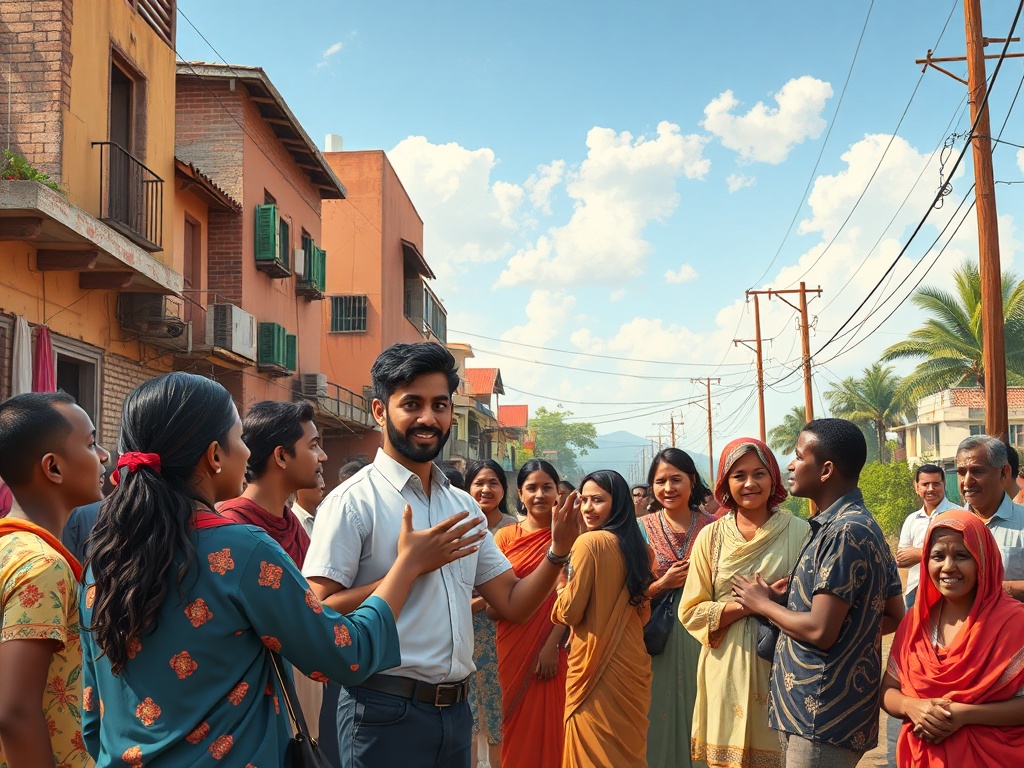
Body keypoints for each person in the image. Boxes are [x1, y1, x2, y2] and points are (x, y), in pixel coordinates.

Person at [80, 372, 482, 767]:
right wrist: (407, 567)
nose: (249, 453)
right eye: (240, 438)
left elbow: (93, 719)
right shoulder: (242, 550)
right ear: (215, 455)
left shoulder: (104, 556)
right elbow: (346, 656)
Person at [303, 342, 582, 768]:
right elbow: (318, 610)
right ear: (380, 411)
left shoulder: (463, 507)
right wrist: (408, 568)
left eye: (440, 405)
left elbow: (513, 603)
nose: (428, 418)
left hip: (455, 714)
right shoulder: (353, 503)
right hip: (381, 711)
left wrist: (558, 551)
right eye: (411, 404)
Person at [733, 418, 904, 768]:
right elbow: (889, 614)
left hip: (820, 715)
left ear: (826, 469)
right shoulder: (855, 523)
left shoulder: (843, 532)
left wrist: (762, 604)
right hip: (817, 712)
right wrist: (789, 602)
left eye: (798, 456)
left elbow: (820, 631)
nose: (790, 465)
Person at [680, 438, 809, 768]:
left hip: (783, 667)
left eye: (759, 474)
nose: (750, 484)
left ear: (773, 479)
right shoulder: (710, 538)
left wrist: (777, 603)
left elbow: (813, 606)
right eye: (739, 475)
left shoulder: (801, 532)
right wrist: (751, 605)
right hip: (725, 666)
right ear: (726, 483)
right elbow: (691, 611)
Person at [0, 391, 108, 768]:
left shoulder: (9, 549)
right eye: (92, 443)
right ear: (54, 468)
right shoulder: (43, 566)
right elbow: (14, 712)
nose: (104, 456)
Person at [881, 509, 1024, 765]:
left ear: (983, 559)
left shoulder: (1014, 623)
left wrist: (965, 714)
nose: (948, 567)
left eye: (961, 555)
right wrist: (912, 707)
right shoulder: (916, 621)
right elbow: (888, 691)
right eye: (938, 556)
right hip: (922, 757)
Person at [553, 469, 654, 767]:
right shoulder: (642, 549)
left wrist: (561, 582)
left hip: (594, 670)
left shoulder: (588, 544)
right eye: (584, 500)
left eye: (597, 500)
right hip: (631, 665)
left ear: (618, 503)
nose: (587, 508)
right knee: (628, 755)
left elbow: (569, 612)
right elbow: (643, 615)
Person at [493, 460, 570, 768]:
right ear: (519, 494)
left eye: (547, 487)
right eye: (532, 488)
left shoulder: (569, 536)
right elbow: (496, 594)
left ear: (558, 491)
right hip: (512, 640)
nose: (540, 494)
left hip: (557, 644)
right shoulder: (504, 537)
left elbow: (573, 595)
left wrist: (552, 644)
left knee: (556, 724)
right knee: (513, 722)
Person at [640, 447, 714, 768]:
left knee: (705, 714)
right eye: (660, 481)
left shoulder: (715, 528)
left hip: (707, 638)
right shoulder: (639, 528)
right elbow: (625, 592)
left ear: (692, 480)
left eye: (676, 479)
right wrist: (662, 585)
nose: (668, 488)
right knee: (656, 717)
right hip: (655, 640)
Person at [219, 400, 325, 569]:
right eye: (313, 446)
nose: (322, 456)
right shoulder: (231, 525)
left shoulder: (291, 524)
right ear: (281, 456)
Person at [466, 459, 519, 768]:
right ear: (467, 488)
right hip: (462, 631)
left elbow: (518, 583)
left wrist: (475, 603)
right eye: (479, 483)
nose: (486, 489)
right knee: (468, 708)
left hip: (505, 628)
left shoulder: (515, 528)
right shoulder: (456, 527)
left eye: (493, 482)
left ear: (504, 488)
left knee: (500, 706)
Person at [954, 435, 1024, 598]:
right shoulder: (948, 525)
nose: (967, 481)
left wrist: (993, 589)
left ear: (1004, 472)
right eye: (961, 472)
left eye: (977, 471)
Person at [896, 464, 957, 610]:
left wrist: (920, 554)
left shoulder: (957, 514)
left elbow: (963, 553)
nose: (930, 489)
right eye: (925, 484)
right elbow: (902, 559)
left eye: (936, 484)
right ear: (917, 487)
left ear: (944, 485)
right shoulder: (912, 520)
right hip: (915, 590)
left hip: (948, 589)